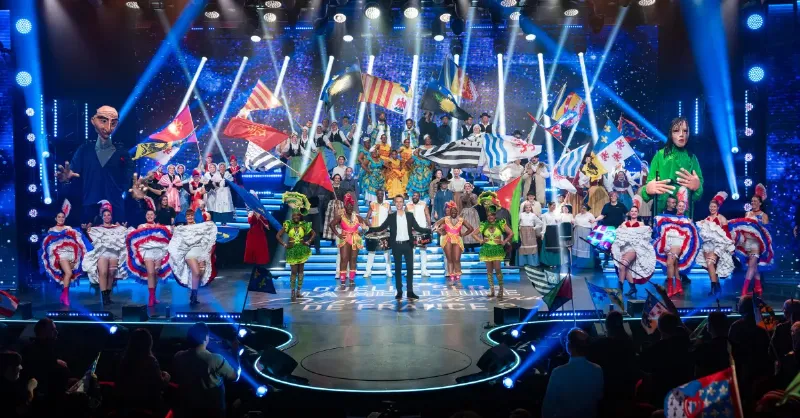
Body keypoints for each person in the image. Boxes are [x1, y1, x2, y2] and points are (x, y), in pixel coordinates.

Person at [56, 106, 131, 223]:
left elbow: (128, 176)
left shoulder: (122, 152)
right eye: (104, 121)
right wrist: (66, 179)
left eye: (113, 122)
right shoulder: (84, 150)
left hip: (115, 206)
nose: (108, 127)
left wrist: (126, 191)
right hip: (90, 205)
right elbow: (72, 173)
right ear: (93, 121)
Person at [368, 195, 431, 300]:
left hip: (408, 245)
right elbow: (381, 227)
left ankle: (410, 291)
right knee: (397, 269)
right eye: (396, 202)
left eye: (400, 201)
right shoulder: (391, 217)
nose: (398, 203)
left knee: (410, 269)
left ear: (403, 203)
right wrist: (369, 228)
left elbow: (417, 228)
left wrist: (429, 229)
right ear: (394, 203)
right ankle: (399, 291)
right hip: (396, 245)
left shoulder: (409, 215)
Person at [641, 117, 704, 218]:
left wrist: (697, 187)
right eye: (676, 131)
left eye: (685, 131)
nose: (681, 134)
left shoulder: (692, 158)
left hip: (684, 215)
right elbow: (647, 190)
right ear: (670, 134)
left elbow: (698, 194)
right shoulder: (660, 155)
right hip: (661, 212)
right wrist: (648, 189)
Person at [172, 323, 238, 418]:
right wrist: (235, 352)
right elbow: (235, 377)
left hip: (188, 408)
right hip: (213, 410)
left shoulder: (178, 356)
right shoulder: (215, 359)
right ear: (205, 338)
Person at [541, 328, 604, 418]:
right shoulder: (597, 370)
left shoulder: (558, 372)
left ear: (569, 346)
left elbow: (548, 406)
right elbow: (599, 397)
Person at [587, 311, 638, 412]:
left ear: (607, 325)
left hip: (607, 388)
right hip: (626, 389)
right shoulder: (629, 343)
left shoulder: (602, 344)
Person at [638, 312, 693, 406]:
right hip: (683, 393)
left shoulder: (654, 350)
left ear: (659, 327)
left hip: (661, 395)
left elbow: (641, 367)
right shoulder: (685, 344)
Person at [40, 210, 92, 307]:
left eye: (62, 217)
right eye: (59, 217)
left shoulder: (69, 228)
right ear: (55, 218)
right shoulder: (52, 230)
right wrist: (55, 257)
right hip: (60, 255)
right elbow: (49, 245)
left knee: (67, 275)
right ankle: (66, 295)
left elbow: (77, 240)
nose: (61, 219)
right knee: (68, 273)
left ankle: (63, 296)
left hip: (71, 254)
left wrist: (76, 256)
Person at [728, 295, 772, 408]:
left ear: (742, 308)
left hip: (744, 369)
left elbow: (731, 350)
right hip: (763, 367)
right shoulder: (766, 324)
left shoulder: (737, 326)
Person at [81, 203, 130, 305]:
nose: (107, 217)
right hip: (102, 253)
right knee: (103, 273)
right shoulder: (97, 228)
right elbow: (91, 240)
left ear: (111, 217)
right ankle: (104, 297)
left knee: (111, 274)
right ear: (102, 217)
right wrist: (86, 231)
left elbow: (125, 236)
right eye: (105, 215)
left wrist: (124, 228)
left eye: (109, 215)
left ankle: (108, 296)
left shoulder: (117, 228)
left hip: (114, 254)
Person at [729, 184, 772, 297]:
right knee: (754, 266)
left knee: (751, 266)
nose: (752, 203)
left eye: (755, 201)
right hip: (746, 243)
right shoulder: (748, 214)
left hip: (756, 245)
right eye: (752, 201)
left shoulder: (764, 216)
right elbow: (743, 228)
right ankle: (758, 287)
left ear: (760, 203)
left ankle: (744, 290)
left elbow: (766, 233)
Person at [168, 208, 218, 305]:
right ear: (185, 218)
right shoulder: (182, 229)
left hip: (200, 252)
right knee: (196, 272)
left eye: (191, 215)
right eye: (188, 216)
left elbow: (209, 232)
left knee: (201, 273)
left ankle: (194, 296)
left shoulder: (200, 227)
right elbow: (177, 240)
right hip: (189, 253)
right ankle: (193, 295)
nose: (190, 217)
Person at [116, 328, 170, 416]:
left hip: (126, 404)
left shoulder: (124, 360)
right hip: (148, 404)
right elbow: (160, 385)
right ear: (149, 342)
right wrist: (167, 377)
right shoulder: (151, 360)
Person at [653, 199, 700, 298]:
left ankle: (670, 288)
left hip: (679, 243)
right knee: (675, 265)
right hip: (668, 242)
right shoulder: (671, 218)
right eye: (680, 206)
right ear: (677, 207)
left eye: (683, 206)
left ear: (685, 208)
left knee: (669, 263)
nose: (681, 207)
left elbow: (692, 232)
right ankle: (679, 287)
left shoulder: (687, 220)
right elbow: (663, 224)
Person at [126, 209, 172, 307]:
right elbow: (135, 239)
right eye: (148, 214)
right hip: (147, 252)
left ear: (155, 216)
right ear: (145, 216)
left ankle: (154, 295)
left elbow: (166, 238)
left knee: (155, 273)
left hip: (159, 252)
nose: (150, 216)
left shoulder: (159, 227)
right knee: (150, 273)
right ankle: (151, 297)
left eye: (151, 214)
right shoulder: (141, 226)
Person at [611, 200, 655, 298]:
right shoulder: (624, 223)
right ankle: (632, 288)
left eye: (635, 211)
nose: (633, 213)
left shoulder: (641, 225)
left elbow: (645, 236)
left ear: (638, 213)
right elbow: (618, 234)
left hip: (634, 249)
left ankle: (619, 290)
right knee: (626, 268)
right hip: (624, 248)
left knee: (622, 266)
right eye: (632, 211)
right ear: (629, 213)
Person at [473, 193, 513, 299]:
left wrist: (504, 242)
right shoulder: (483, 224)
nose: (490, 217)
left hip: (497, 249)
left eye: (492, 215)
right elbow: (473, 234)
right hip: (487, 249)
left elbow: (511, 233)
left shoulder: (501, 223)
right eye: (489, 215)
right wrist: (481, 240)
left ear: (495, 215)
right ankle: (491, 290)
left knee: (498, 269)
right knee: (489, 271)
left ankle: (500, 289)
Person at [695, 192, 735, 297]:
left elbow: (726, 233)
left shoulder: (722, 218)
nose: (712, 208)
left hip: (718, 245)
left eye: (714, 206)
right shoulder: (706, 220)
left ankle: (714, 287)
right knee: (711, 267)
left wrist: (730, 246)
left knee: (709, 263)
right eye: (711, 206)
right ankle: (717, 287)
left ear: (717, 207)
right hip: (707, 245)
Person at [21, 319, 69, 405]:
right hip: (46, 398)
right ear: (43, 332)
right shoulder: (31, 350)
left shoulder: (53, 348)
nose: (56, 332)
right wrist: (54, 362)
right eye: (52, 330)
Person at [277, 193, 315, 301]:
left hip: (302, 249)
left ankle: (299, 291)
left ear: (300, 215)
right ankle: (292, 292)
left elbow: (314, 234)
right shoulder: (288, 224)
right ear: (292, 216)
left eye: (298, 215)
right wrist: (285, 244)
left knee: (301, 272)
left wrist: (308, 242)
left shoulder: (304, 224)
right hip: (292, 250)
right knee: (293, 272)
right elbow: (278, 236)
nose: (296, 217)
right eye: (294, 215)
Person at [330, 193, 367, 287]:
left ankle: (351, 279)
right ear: (345, 207)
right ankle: (342, 279)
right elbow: (331, 224)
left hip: (355, 238)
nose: (350, 207)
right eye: (348, 206)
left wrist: (362, 232)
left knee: (353, 259)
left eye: (351, 206)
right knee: (344, 258)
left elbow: (366, 226)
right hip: (345, 238)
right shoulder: (341, 216)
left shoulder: (357, 216)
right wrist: (338, 234)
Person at [434, 201, 475, 284]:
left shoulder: (461, 220)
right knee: (450, 259)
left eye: (455, 211)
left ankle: (458, 275)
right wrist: (440, 232)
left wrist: (463, 234)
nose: (453, 213)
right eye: (452, 211)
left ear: (457, 212)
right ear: (450, 212)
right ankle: (451, 276)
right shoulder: (445, 219)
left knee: (456, 259)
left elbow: (471, 228)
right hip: (447, 239)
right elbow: (436, 225)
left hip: (457, 239)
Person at [691, 311, 731, 378]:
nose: (706, 325)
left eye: (708, 322)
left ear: (711, 325)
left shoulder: (705, 348)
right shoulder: (732, 344)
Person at [0, 351, 37, 418]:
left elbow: (33, 380)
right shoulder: (5, 389)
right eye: (17, 365)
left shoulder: (17, 379)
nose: (21, 368)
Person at [365, 190, 393, 278]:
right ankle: (368, 271)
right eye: (378, 194)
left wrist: (386, 228)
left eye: (382, 194)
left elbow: (391, 217)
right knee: (371, 252)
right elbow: (366, 218)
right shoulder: (372, 204)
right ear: (376, 195)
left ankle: (388, 271)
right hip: (374, 232)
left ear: (384, 195)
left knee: (387, 252)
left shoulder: (387, 204)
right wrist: (372, 228)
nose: (380, 195)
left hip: (384, 231)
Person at [407, 192, 432, 277]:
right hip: (411, 231)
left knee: (423, 251)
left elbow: (427, 215)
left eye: (417, 196)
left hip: (422, 230)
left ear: (419, 197)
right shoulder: (408, 205)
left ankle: (424, 271)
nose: (415, 197)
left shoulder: (423, 204)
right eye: (414, 195)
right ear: (412, 196)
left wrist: (429, 226)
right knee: (411, 252)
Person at [518, 201, 543, 266]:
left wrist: (534, 228)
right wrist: (519, 227)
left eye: (529, 207)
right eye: (526, 207)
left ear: (531, 208)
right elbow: (517, 223)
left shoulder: (533, 215)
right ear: (524, 208)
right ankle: (523, 262)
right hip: (523, 232)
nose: (528, 209)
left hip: (530, 232)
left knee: (531, 247)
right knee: (523, 247)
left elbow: (540, 223)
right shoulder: (521, 214)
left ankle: (532, 262)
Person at [459, 183, 481, 251]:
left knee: (474, 227)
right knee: (465, 228)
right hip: (465, 212)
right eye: (466, 186)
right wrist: (468, 194)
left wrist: (472, 197)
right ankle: (466, 245)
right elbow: (464, 200)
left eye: (468, 186)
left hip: (473, 212)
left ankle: (473, 245)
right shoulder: (462, 195)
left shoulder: (474, 195)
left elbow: (476, 203)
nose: (467, 187)